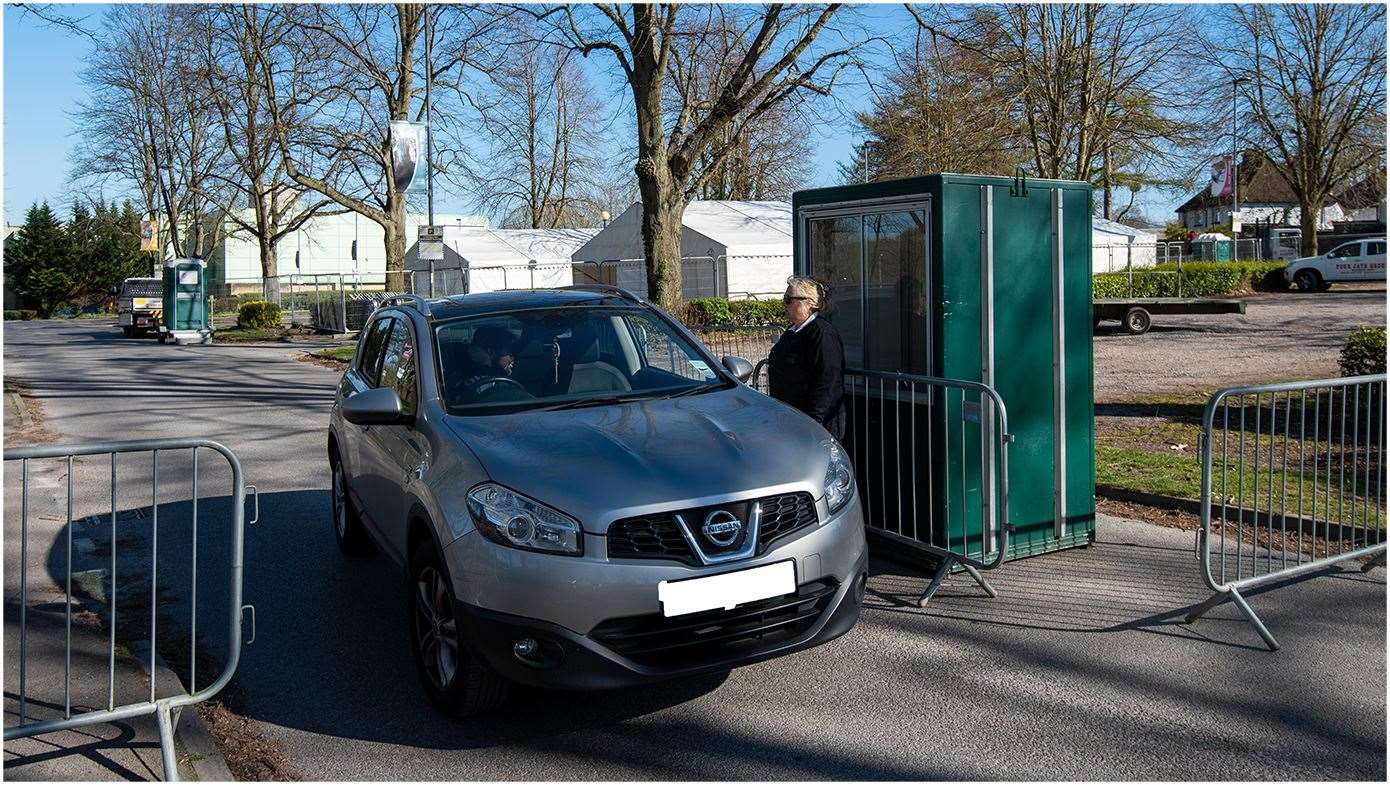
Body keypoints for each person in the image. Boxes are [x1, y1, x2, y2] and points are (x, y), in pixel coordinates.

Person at [768, 276, 845, 441]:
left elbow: (827, 382)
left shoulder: (822, 333)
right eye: (784, 298)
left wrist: (813, 423)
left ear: (810, 303)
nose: (785, 304)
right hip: (791, 419)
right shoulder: (793, 330)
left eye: (789, 299)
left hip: (815, 426)